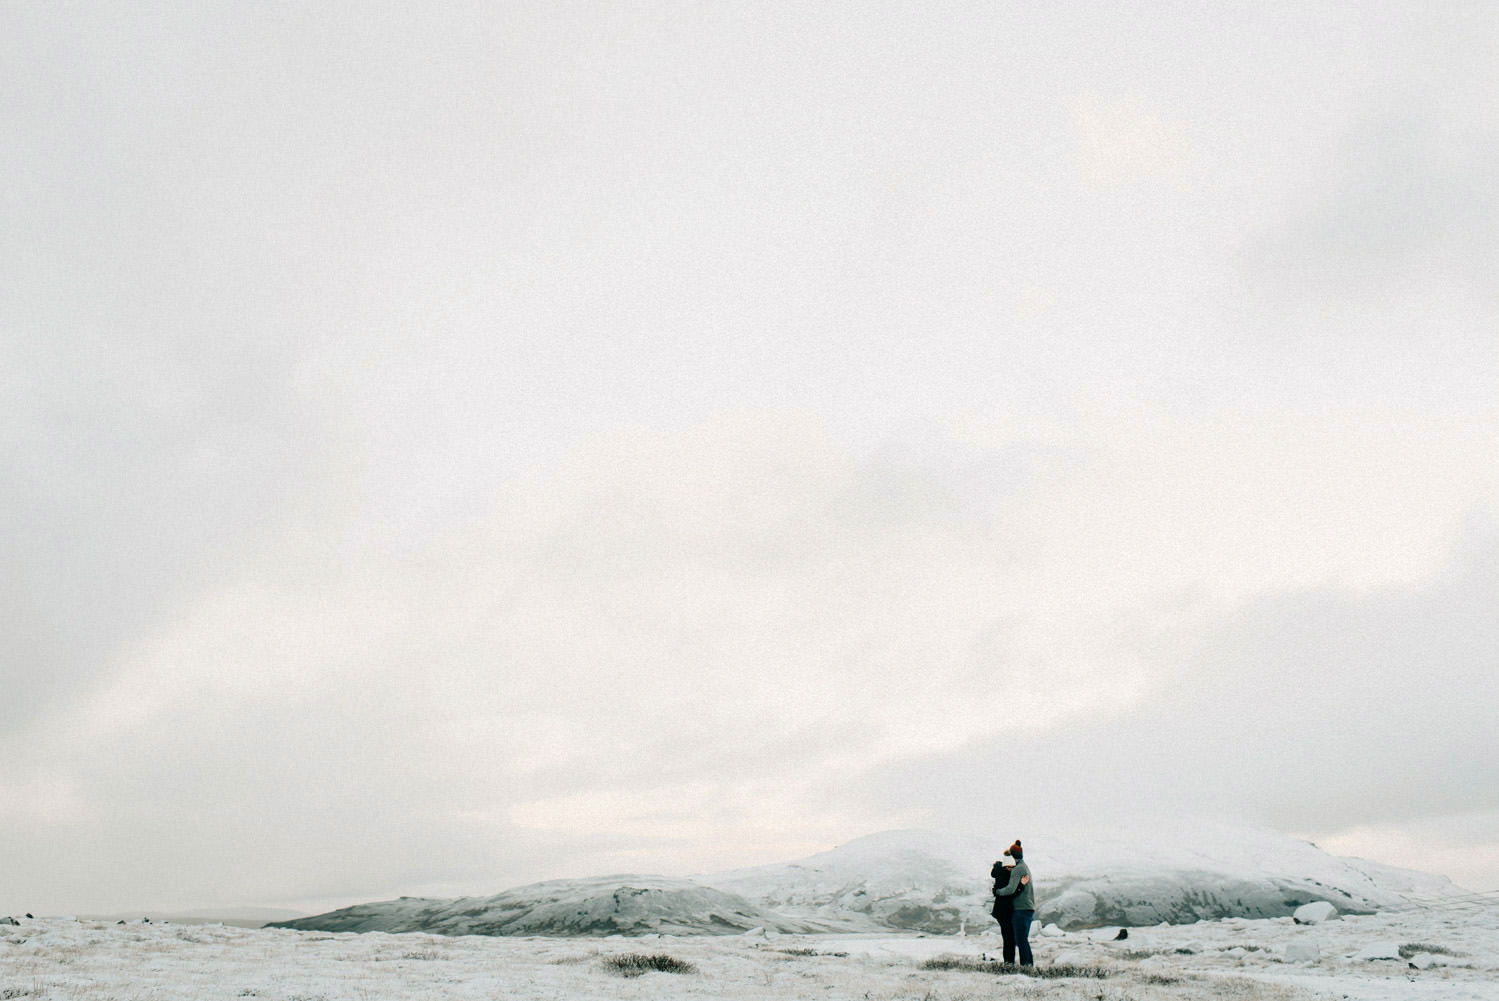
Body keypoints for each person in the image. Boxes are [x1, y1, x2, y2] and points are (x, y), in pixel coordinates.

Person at [992, 839, 1035, 966]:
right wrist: (1020, 886)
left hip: (1020, 908)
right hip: (1015, 909)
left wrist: (998, 892)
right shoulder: (1022, 867)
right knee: (1017, 939)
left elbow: (1010, 890)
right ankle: (1023, 965)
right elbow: (1013, 889)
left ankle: (1023, 965)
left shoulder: (1017, 869)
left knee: (1018, 939)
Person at [989, 858, 1017, 962]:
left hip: (1000, 910)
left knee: (1007, 938)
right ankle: (1009, 962)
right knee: (1009, 938)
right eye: (1010, 867)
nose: (1011, 869)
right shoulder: (1006, 875)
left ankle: (1008, 962)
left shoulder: (1000, 873)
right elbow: (1010, 891)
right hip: (1005, 910)